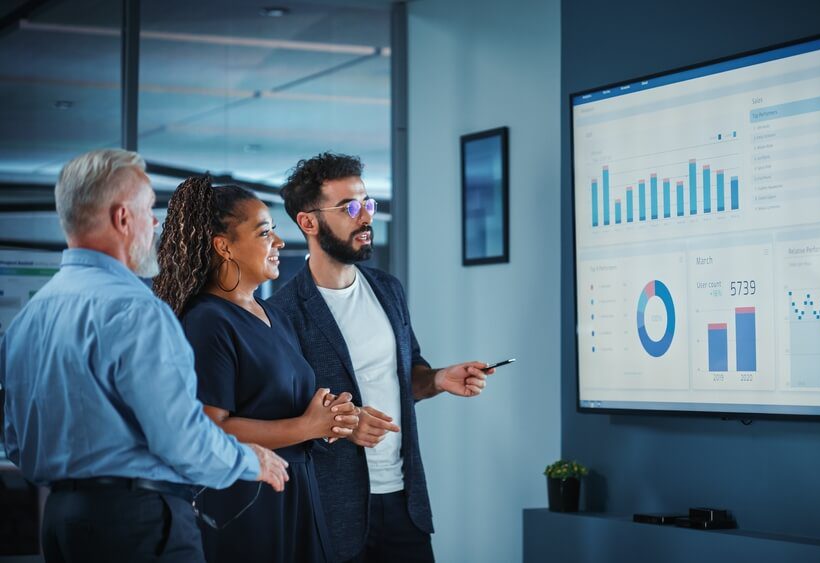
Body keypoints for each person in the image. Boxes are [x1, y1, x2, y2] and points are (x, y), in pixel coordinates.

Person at [0, 149, 290, 563]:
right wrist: (251, 460)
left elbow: (14, 440)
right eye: (147, 209)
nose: (155, 223)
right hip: (137, 525)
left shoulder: (31, 316)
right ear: (122, 218)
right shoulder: (135, 309)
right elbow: (180, 437)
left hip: (60, 522)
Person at [269, 152, 495, 562]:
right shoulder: (284, 313)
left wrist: (439, 379)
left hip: (405, 503)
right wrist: (344, 425)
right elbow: (284, 416)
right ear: (308, 222)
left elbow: (407, 376)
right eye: (349, 207)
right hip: (333, 511)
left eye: (367, 204)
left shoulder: (388, 289)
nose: (365, 217)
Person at [152, 176, 361, 563]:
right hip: (247, 504)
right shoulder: (207, 322)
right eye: (265, 233)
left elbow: (281, 404)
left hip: (296, 492)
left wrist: (331, 418)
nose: (279, 242)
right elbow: (210, 428)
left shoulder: (274, 316)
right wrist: (306, 427)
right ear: (224, 246)